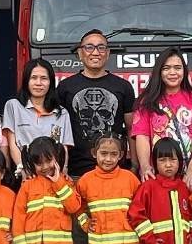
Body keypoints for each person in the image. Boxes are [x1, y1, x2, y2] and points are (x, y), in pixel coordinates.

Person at [57, 32, 136, 176]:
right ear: (80, 53)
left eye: (101, 47)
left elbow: (131, 129)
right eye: (89, 47)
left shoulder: (124, 87)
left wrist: (135, 166)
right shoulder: (64, 87)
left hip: (115, 172)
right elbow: (59, 130)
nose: (95, 52)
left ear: (107, 53)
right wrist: (62, 168)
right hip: (76, 172)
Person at [131, 50, 192, 185]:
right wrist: (145, 167)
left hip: (189, 177)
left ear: (184, 71)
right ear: (159, 72)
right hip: (157, 176)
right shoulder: (146, 101)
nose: (172, 72)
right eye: (166, 68)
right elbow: (142, 137)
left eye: (177, 68)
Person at [2, 59, 74, 174]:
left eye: (44, 78)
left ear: (51, 82)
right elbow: (12, 143)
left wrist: (62, 170)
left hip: (53, 174)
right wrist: (24, 169)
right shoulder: (13, 105)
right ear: (26, 80)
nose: (38, 83)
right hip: (25, 173)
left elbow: (63, 147)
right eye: (33, 78)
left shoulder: (62, 113)